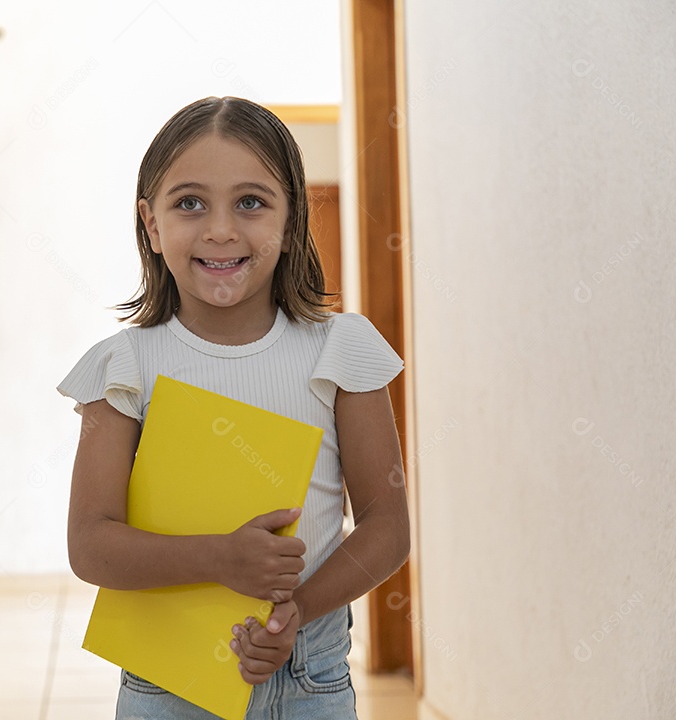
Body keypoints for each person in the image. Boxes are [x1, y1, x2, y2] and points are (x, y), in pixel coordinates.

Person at [56, 96, 410, 719]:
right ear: (151, 224)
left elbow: (387, 526)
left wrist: (296, 607)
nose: (220, 229)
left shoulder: (342, 348)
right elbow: (90, 545)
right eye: (189, 203)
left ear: (292, 218)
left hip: (309, 671)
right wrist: (220, 559)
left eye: (251, 202)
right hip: (167, 682)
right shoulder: (127, 365)